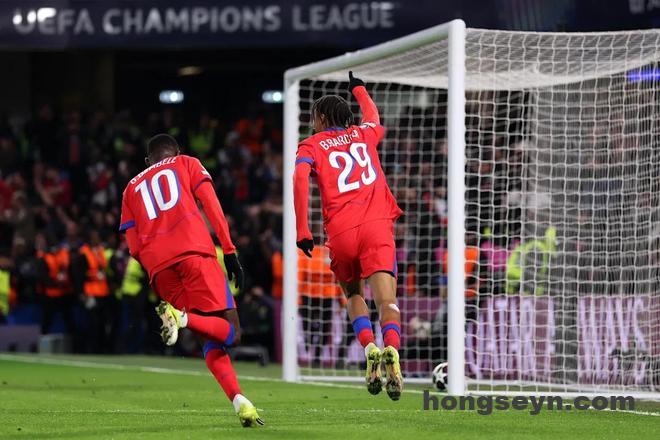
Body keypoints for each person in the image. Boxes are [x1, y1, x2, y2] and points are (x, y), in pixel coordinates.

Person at [118, 134, 263, 427]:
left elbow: (132, 246)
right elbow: (211, 204)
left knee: (209, 338)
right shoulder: (186, 163)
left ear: (147, 161)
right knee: (233, 333)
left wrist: (155, 265)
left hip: (159, 269)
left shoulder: (130, 188)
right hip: (194, 255)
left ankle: (240, 401)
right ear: (176, 152)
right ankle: (181, 318)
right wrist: (229, 251)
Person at [293, 72, 404, 400]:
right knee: (387, 301)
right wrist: (359, 89)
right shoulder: (364, 134)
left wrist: (302, 229)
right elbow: (373, 116)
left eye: (314, 117)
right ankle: (391, 348)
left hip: (341, 232)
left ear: (322, 118)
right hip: (376, 227)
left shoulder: (311, 145)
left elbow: (299, 178)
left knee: (354, 294)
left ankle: (369, 347)